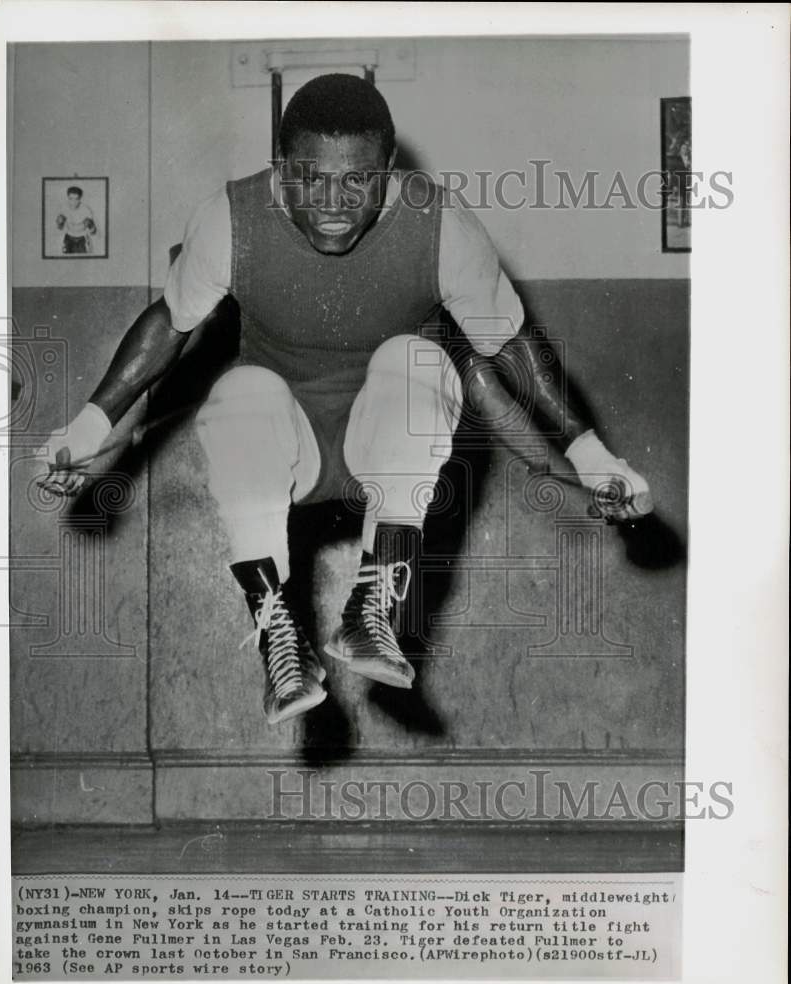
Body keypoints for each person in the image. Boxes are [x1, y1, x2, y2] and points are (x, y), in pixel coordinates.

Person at [38, 74, 652, 725]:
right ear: (279, 168)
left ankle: (372, 607)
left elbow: (505, 350)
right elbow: (171, 326)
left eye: (356, 181)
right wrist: (84, 432)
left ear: (387, 171)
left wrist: (591, 461)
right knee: (240, 389)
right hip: (284, 453)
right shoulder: (230, 219)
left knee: (417, 358)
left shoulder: (441, 226)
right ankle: (278, 632)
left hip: (385, 452)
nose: (332, 202)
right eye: (309, 178)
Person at [56, 185, 97, 254]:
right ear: (68, 198)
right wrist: (59, 223)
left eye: (76, 199)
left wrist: (91, 225)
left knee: (83, 261)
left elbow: (93, 232)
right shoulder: (64, 208)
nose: (73, 202)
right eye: (71, 198)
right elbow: (59, 228)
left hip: (82, 238)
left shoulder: (86, 210)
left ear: (80, 199)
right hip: (68, 238)